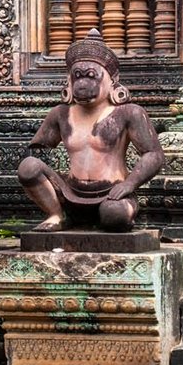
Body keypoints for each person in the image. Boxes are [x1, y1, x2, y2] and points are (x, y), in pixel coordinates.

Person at [18, 29, 165, 231]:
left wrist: (129, 184)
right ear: (69, 80)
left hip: (113, 193)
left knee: (114, 215)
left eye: (91, 76)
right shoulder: (61, 114)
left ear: (112, 79)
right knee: (28, 166)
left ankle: (110, 214)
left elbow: (154, 155)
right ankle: (56, 215)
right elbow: (37, 150)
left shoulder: (128, 112)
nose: (82, 84)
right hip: (69, 191)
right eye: (77, 76)